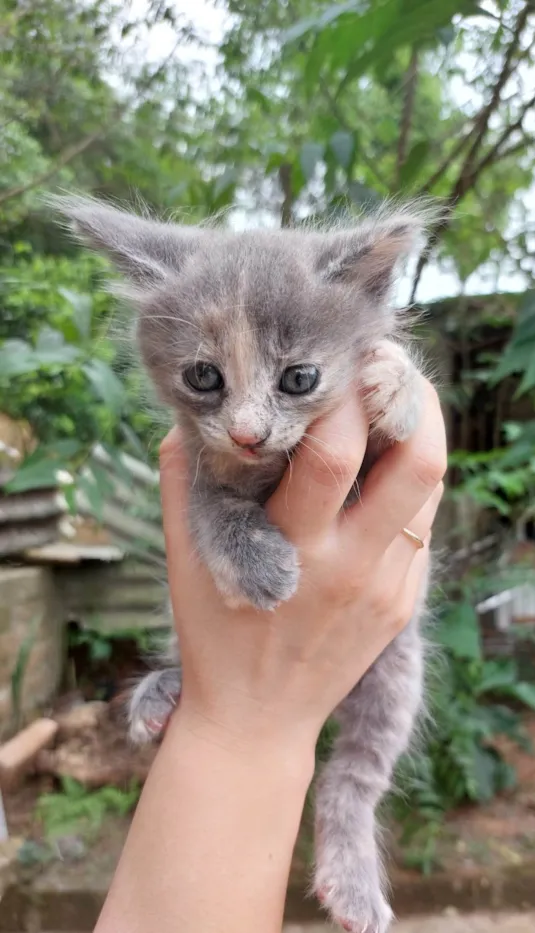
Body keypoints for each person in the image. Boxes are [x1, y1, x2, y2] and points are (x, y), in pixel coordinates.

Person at [94, 376, 446, 933]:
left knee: (395, 676)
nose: (247, 425)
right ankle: (187, 678)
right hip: (238, 642)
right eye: (208, 377)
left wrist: (393, 385)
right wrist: (225, 708)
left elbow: (400, 412)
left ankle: (350, 804)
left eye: (295, 377)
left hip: (379, 626)